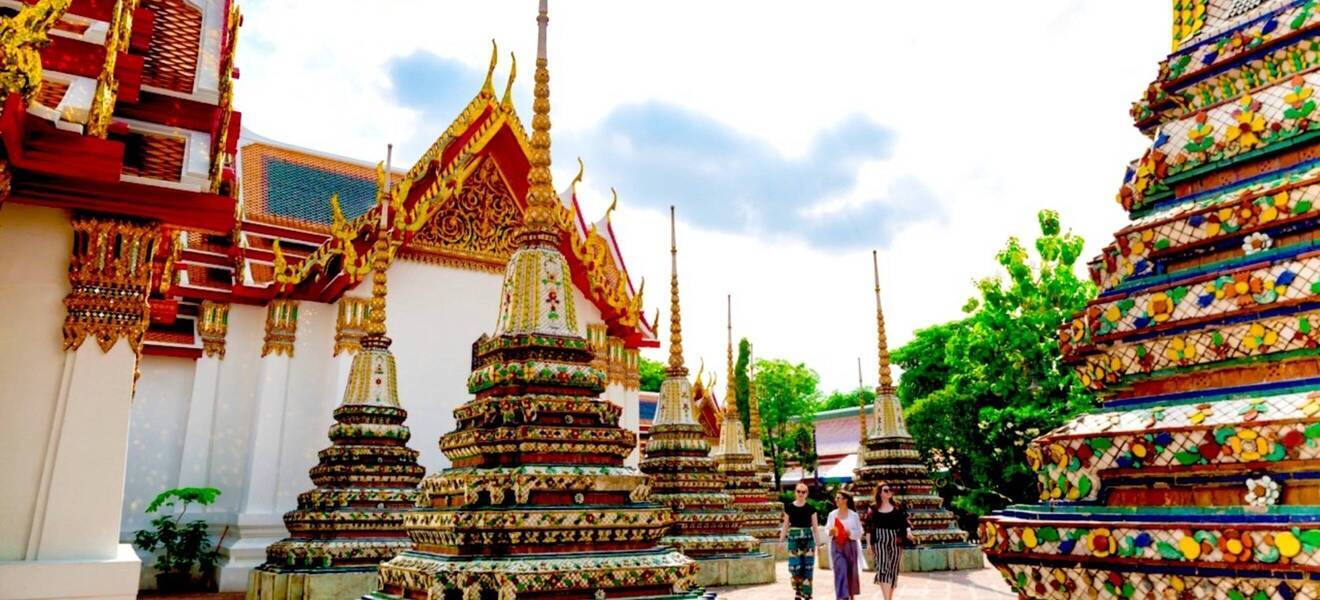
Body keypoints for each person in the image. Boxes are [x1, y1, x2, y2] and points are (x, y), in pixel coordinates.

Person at [863, 482, 912, 600]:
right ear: (879, 493)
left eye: (890, 489)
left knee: (893, 569)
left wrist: (909, 532)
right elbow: (868, 527)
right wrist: (869, 544)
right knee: (883, 567)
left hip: (896, 539)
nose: (889, 492)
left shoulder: (898, 507)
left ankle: (889, 597)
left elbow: (905, 523)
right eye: (885, 490)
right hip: (880, 539)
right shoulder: (873, 508)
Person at [780, 482, 822, 599]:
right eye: (798, 491)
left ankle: (807, 593)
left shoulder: (811, 509)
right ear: (795, 492)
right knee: (795, 567)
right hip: (793, 538)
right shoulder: (789, 507)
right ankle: (798, 589)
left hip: (808, 539)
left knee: (808, 567)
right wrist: (781, 540)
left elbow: (815, 528)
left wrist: (819, 545)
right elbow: (785, 525)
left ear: (806, 494)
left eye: (803, 492)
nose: (800, 494)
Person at [825, 490, 863, 599]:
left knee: (851, 572)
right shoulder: (832, 514)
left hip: (850, 545)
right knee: (840, 570)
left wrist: (850, 533)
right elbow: (827, 529)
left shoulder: (853, 515)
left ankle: (850, 595)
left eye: (838, 498)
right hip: (836, 545)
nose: (836, 500)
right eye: (836, 498)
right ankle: (842, 597)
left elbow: (859, 533)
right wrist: (830, 532)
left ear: (845, 500)